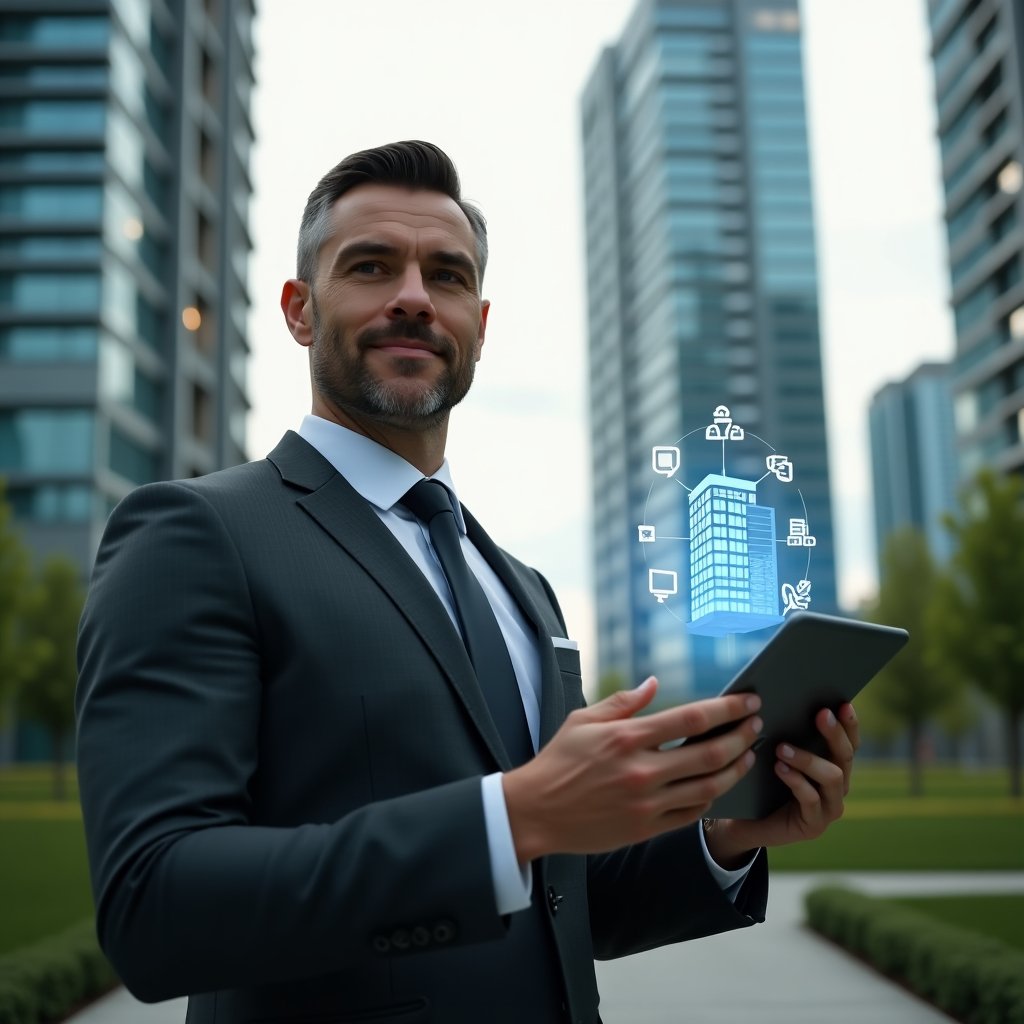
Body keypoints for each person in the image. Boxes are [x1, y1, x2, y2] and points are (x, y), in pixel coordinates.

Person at [75, 141, 859, 1024]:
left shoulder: (520, 586)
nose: (414, 296)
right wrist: (512, 817)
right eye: (371, 266)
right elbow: (156, 905)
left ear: (478, 323)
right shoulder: (195, 534)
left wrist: (720, 836)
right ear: (299, 310)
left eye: (446, 276)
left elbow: (560, 901)